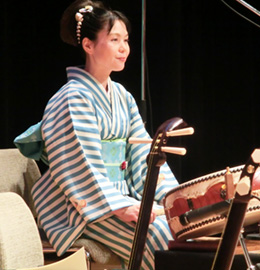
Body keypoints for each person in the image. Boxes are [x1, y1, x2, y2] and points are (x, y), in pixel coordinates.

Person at [14, 0, 178, 269]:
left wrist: (173, 198)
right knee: (160, 237)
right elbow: (79, 166)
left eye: (125, 39)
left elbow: (143, 153)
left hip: (117, 200)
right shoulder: (71, 98)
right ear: (88, 45)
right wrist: (119, 206)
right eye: (114, 39)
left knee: (178, 228)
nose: (124, 48)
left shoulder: (123, 97)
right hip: (80, 209)